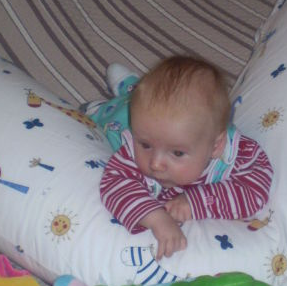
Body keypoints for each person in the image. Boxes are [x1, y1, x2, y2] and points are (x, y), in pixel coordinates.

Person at [97, 56, 273, 260]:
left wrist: (196, 202)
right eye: (145, 146)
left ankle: (130, 86)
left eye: (177, 153)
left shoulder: (235, 156)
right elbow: (114, 183)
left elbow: (255, 188)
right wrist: (156, 218)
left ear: (216, 146)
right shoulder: (136, 145)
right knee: (112, 112)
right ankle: (121, 91)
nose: (155, 164)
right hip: (117, 121)